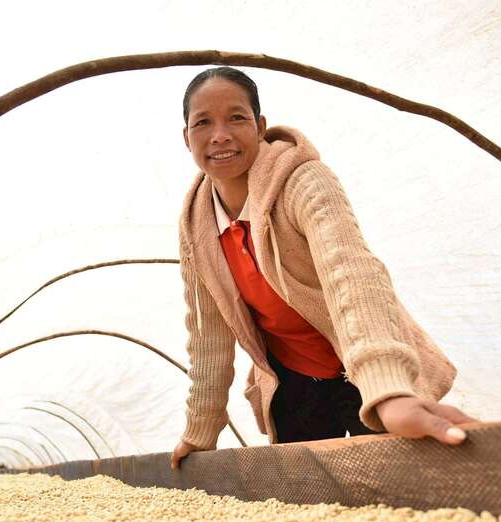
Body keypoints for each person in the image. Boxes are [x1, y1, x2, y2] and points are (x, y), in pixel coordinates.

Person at [170, 67, 474, 470]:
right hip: (293, 378)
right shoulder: (196, 222)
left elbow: (351, 273)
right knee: (309, 488)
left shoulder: (302, 181)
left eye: (237, 118)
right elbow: (208, 333)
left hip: (360, 364)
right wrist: (200, 430)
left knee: (396, 475)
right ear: (186, 137)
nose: (220, 134)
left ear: (260, 127)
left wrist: (387, 388)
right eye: (203, 122)